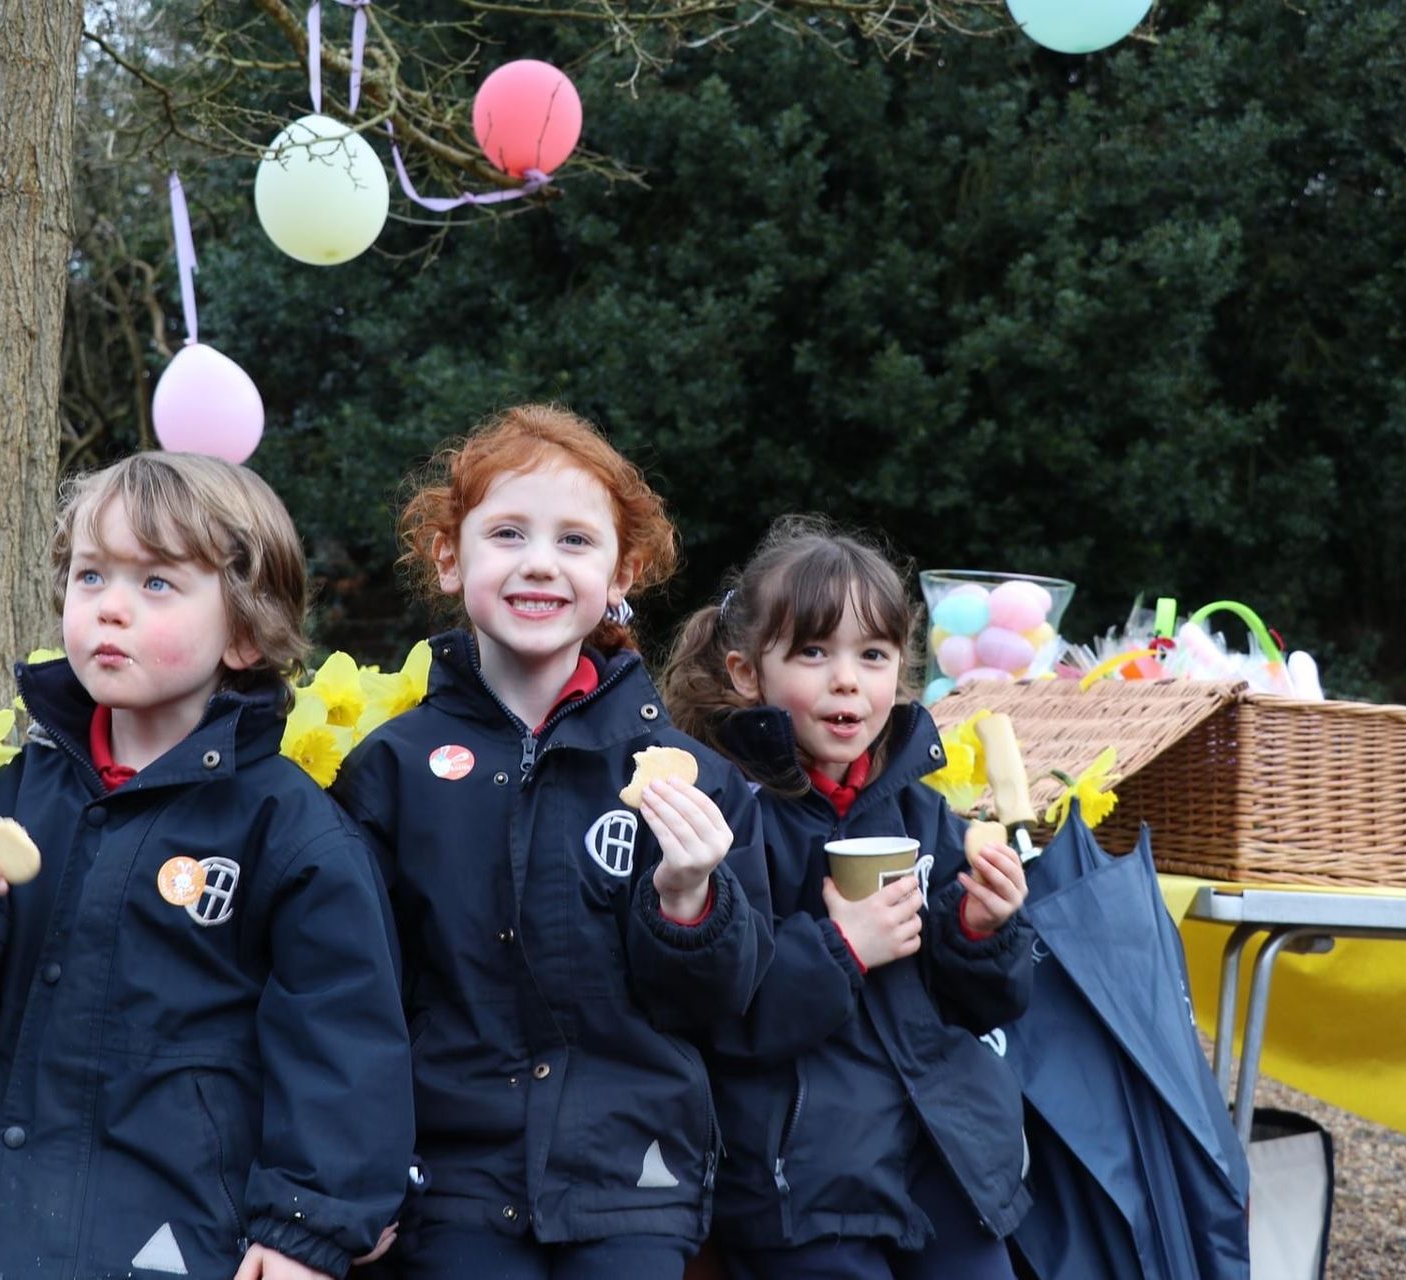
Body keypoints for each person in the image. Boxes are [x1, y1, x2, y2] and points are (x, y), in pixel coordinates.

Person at [0, 452, 413, 1280]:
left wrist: (304, 1230)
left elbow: (342, 1049)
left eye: (156, 583)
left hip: (181, 1232)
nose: (110, 608)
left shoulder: (291, 833)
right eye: (91, 577)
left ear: (243, 632)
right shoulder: (17, 797)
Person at [332, 404, 774, 1280]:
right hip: (450, 1183)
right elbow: (355, 996)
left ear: (624, 572)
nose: (540, 562)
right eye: (507, 533)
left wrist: (691, 902)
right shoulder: (390, 769)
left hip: (632, 1181)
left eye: (576, 540)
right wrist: (357, 1174)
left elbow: (722, 1006)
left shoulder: (694, 780)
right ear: (450, 559)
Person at [660, 515, 1033, 1280]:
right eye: (813, 652)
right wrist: (842, 949)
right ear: (745, 673)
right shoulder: (729, 815)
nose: (847, 680)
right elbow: (718, 1014)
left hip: (943, 1156)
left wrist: (980, 929)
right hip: (805, 1176)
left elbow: (987, 1005)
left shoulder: (920, 810)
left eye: (872, 655)